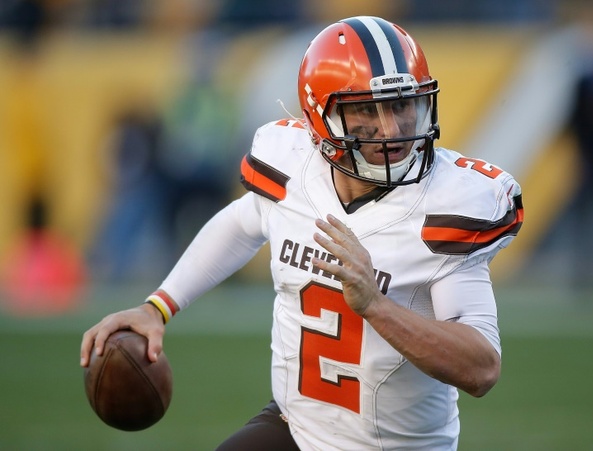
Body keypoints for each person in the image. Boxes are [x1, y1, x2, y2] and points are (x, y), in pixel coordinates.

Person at [80, 16, 523, 450]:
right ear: (322, 118)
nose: (391, 129)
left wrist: (377, 307)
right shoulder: (292, 166)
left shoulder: (447, 207)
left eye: (402, 104)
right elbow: (241, 223)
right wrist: (156, 308)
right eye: (367, 109)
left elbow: (481, 368)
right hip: (295, 426)